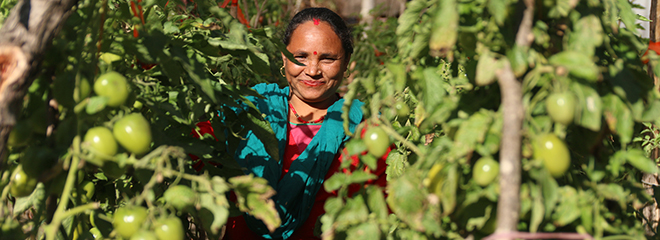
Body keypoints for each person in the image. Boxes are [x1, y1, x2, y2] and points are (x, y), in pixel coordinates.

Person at [219, 7, 388, 240]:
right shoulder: (248, 111)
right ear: (283, 57)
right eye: (300, 57)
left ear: (347, 62)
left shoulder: (364, 130)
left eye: (327, 58)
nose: (312, 71)